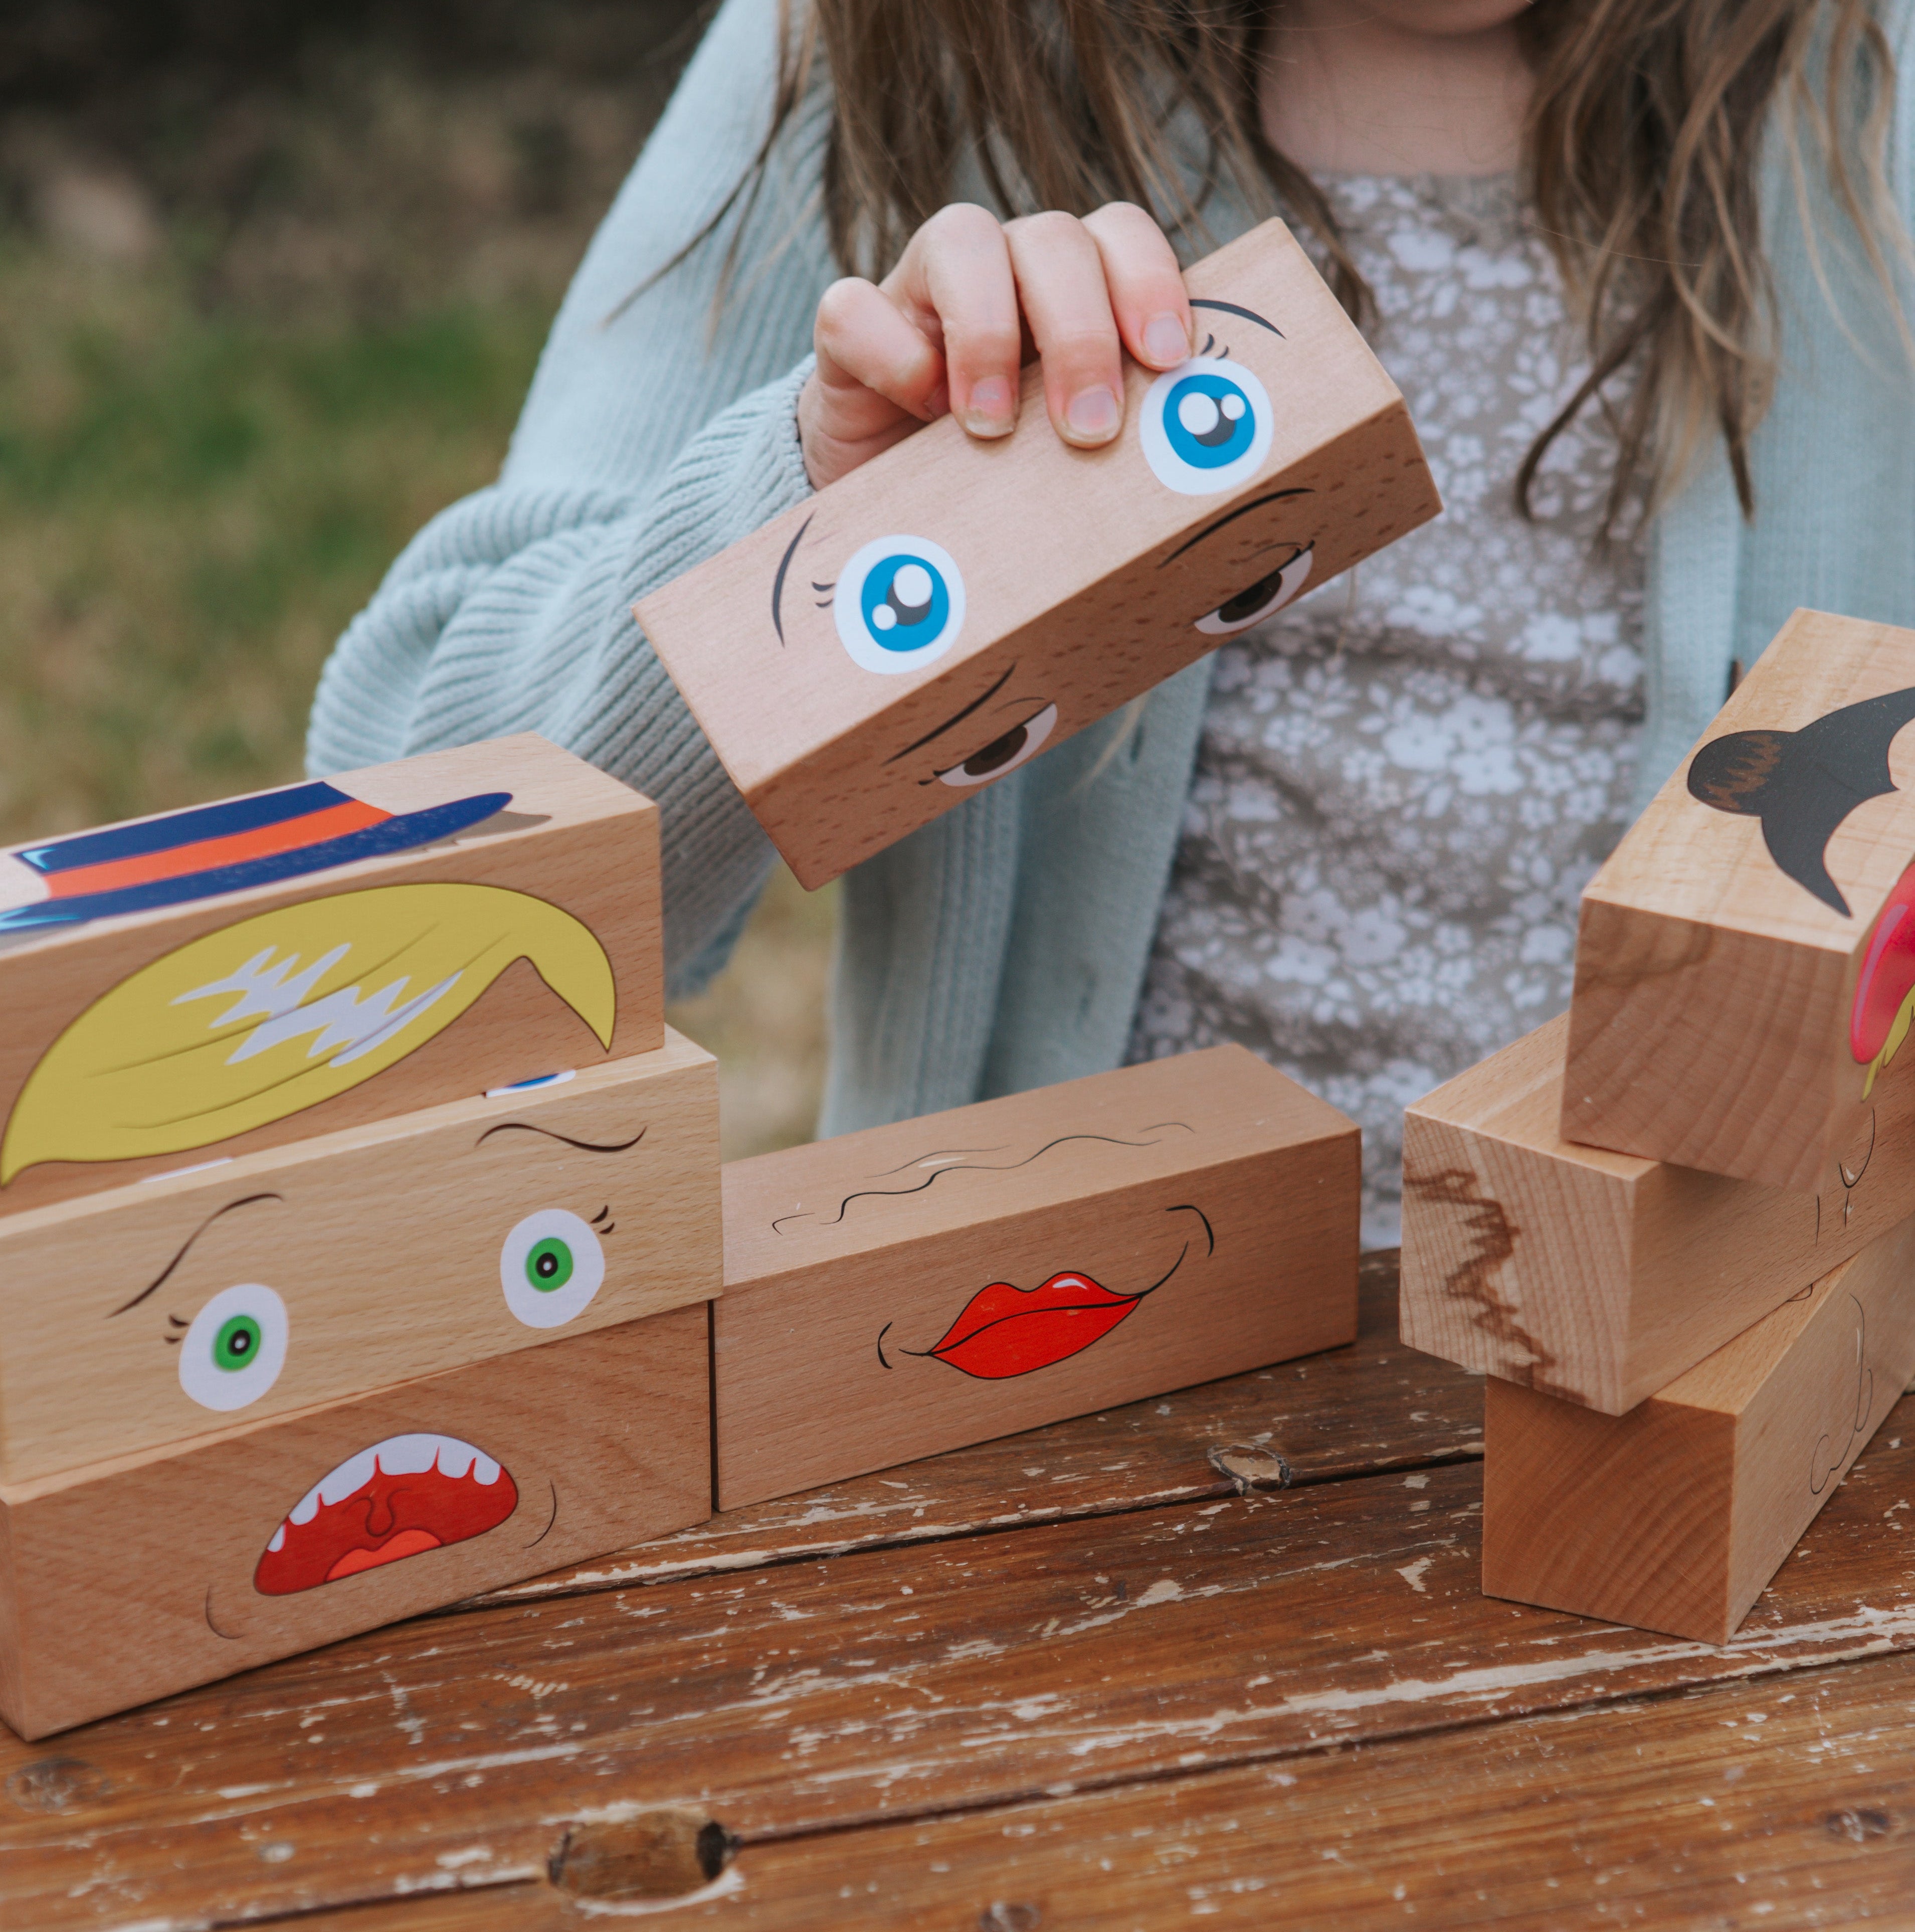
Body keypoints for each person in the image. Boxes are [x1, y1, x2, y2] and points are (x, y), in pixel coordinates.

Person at [308, 0, 1915, 1245]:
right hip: (1045, 1399)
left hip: (1736, 1395)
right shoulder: (899, 47)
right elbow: (413, 895)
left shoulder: (1865, 80)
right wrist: (806, 520)